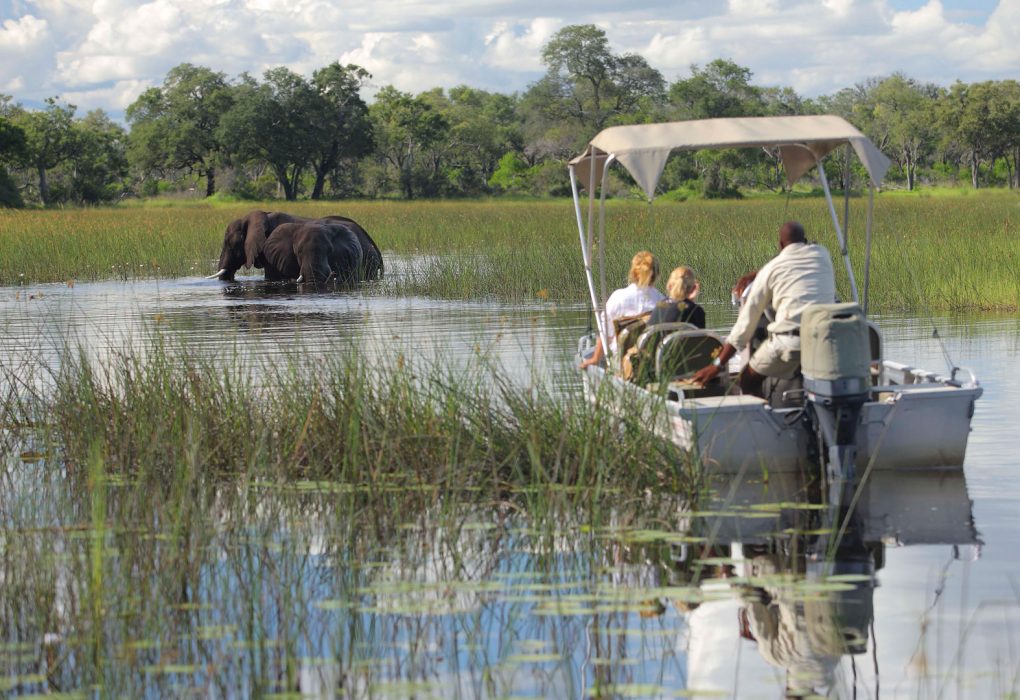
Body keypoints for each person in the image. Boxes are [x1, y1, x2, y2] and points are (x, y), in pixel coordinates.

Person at [691, 221, 836, 396]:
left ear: (780, 245)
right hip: (825, 340)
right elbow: (795, 260)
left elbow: (745, 326)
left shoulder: (771, 270)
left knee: (747, 380)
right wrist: (757, 273)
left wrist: (717, 365)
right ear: (804, 241)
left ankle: (766, 416)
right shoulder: (823, 255)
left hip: (790, 343)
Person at [579, 250, 666, 369]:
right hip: (653, 363)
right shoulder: (663, 301)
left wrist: (595, 359)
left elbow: (605, 333)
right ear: (657, 274)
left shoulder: (618, 297)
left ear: (633, 273)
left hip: (622, 362)